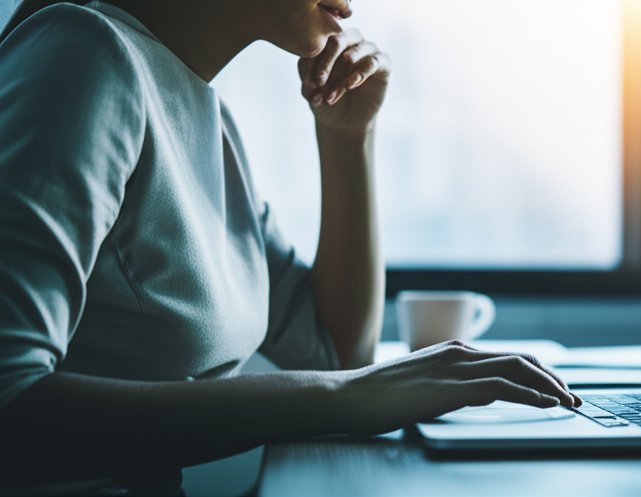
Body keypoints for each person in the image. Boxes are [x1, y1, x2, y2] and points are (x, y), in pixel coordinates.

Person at [0, 0, 581, 491]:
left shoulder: (204, 110)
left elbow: (333, 352)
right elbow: (11, 401)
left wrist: (347, 137)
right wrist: (347, 398)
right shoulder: (83, 55)